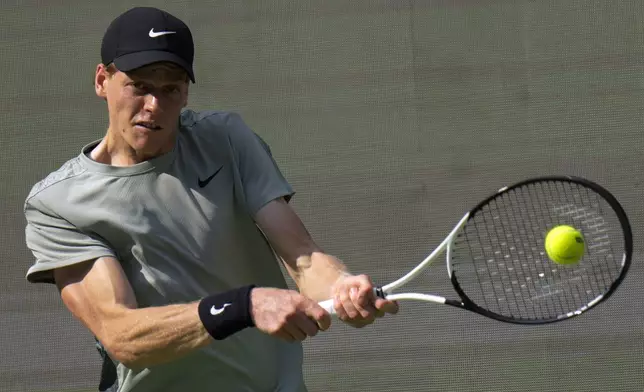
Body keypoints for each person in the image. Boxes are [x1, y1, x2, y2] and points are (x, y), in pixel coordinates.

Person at [23, 6, 398, 392]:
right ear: (103, 80)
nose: (154, 105)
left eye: (170, 88)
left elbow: (303, 258)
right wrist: (242, 307)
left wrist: (341, 286)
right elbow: (122, 333)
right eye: (140, 85)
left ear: (186, 92)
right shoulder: (58, 204)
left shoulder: (226, 140)